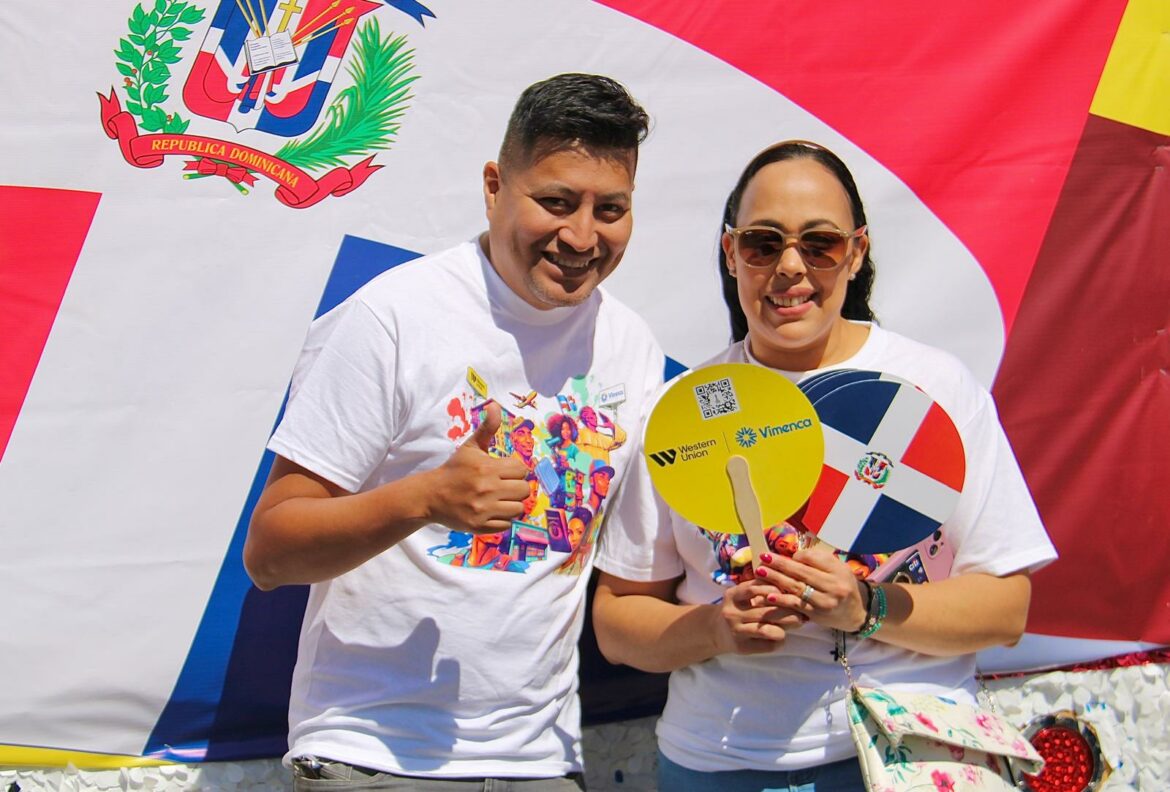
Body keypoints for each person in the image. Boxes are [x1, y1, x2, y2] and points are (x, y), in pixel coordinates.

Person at [592, 140, 1057, 791]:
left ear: (857, 252)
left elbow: (1007, 609)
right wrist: (717, 628)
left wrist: (865, 607)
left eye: (820, 244)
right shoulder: (686, 413)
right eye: (762, 243)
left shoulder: (934, 390)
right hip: (724, 762)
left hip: (913, 750)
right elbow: (618, 622)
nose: (790, 267)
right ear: (732, 254)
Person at [244, 73, 664, 789]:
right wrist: (427, 499)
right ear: (496, 186)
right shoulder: (393, 318)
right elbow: (271, 553)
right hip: (372, 754)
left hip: (543, 762)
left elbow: (632, 582)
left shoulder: (633, 346)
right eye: (556, 201)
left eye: (611, 209)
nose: (582, 236)